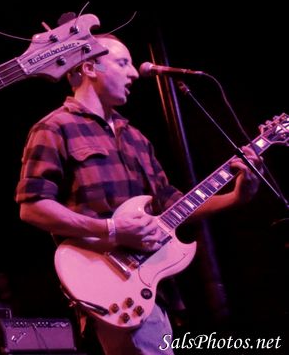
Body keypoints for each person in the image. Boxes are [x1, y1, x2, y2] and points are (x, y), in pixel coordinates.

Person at [15, 34, 260, 355]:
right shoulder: (54, 127)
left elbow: (172, 204)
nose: (133, 73)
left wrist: (236, 197)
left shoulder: (136, 138)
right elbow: (32, 207)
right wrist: (113, 230)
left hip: (150, 288)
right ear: (89, 68)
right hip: (105, 282)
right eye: (122, 63)